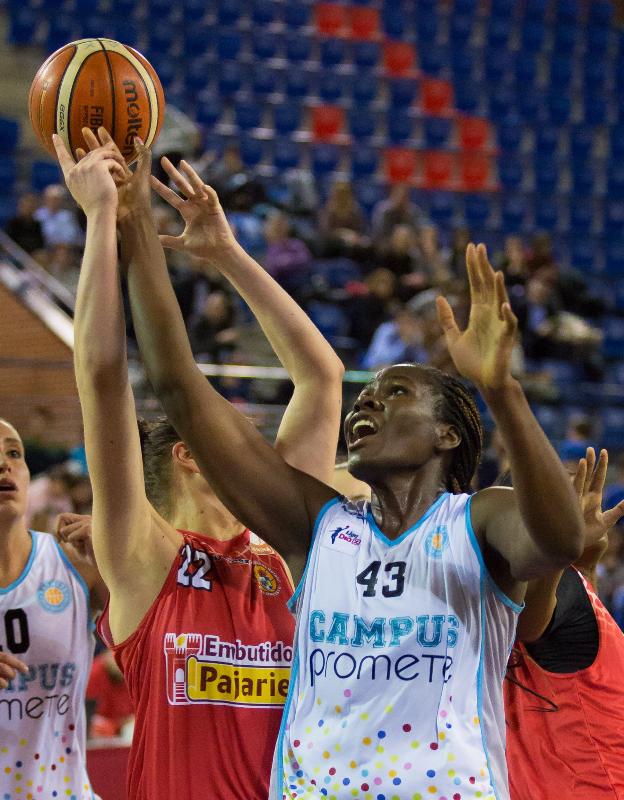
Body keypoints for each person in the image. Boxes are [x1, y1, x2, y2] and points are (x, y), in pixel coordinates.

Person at [126, 173, 585, 800]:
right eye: (363, 398)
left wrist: (502, 391)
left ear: (446, 436)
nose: (364, 407)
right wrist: (133, 222)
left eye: (395, 393)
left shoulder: (478, 520)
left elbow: (558, 541)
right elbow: (177, 383)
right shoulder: (317, 528)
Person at [52, 127, 344, 800]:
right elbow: (102, 379)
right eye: (230, 434)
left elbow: (322, 379)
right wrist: (102, 220)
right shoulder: (140, 555)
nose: (247, 447)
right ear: (189, 455)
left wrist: (229, 256)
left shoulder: (282, 539)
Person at [504, 448, 624, 800]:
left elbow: (571, 644)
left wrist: (585, 558)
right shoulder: (551, 586)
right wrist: (561, 550)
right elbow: (532, 626)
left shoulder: (568, 582)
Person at [0, 419, 104, 799]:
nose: (4, 464)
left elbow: (156, 640)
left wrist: (120, 555)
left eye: (14, 453)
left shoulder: (74, 565)